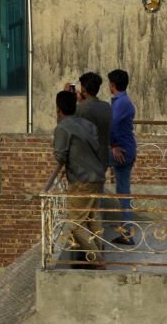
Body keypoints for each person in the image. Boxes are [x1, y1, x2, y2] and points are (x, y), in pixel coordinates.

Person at [53, 90, 106, 268]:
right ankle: (97, 257)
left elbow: (60, 156)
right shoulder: (87, 124)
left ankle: (97, 260)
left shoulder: (62, 127)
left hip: (81, 180)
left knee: (76, 223)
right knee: (92, 218)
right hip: (98, 176)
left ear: (58, 109)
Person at [108, 68, 137, 244]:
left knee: (91, 163)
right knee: (123, 192)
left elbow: (112, 125)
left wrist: (113, 145)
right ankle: (127, 233)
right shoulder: (122, 101)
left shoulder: (121, 103)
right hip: (126, 150)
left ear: (113, 85)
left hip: (123, 151)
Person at [70, 72, 112, 173]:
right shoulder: (107, 107)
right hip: (102, 160)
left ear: (83, 89)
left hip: (84, 163)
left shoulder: (80, 110)